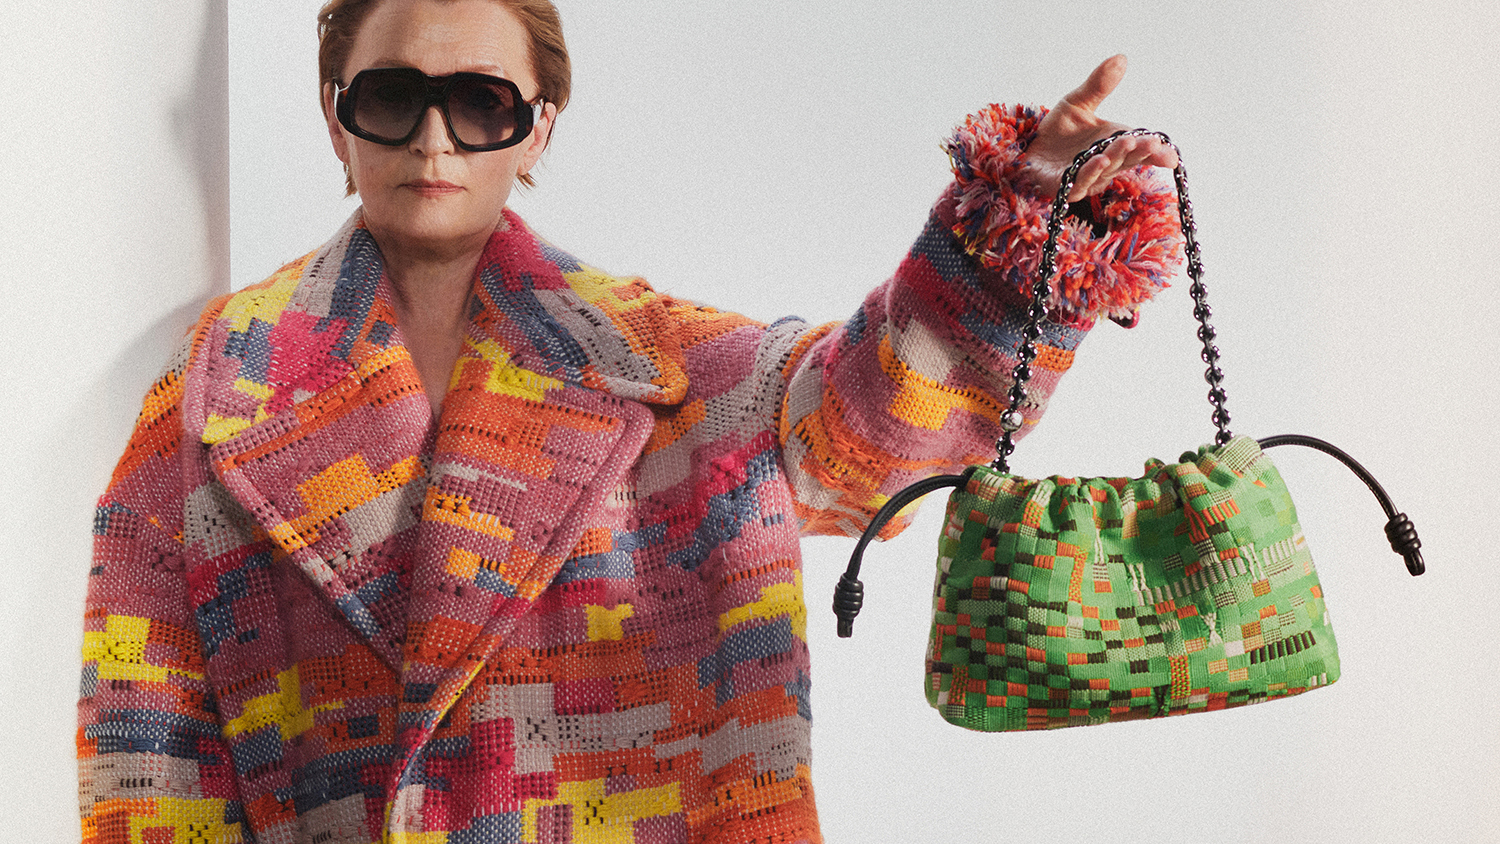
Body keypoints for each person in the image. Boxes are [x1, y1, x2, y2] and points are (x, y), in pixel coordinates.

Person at [77, 1, 1182, 841]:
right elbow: (148, 740)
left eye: (481, 103)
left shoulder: (669, 370)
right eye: (391, 97)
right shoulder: (222, 393)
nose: (433, 141)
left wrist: (1019, 221)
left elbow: (872, 433)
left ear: (537, 129)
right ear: (336, 120)